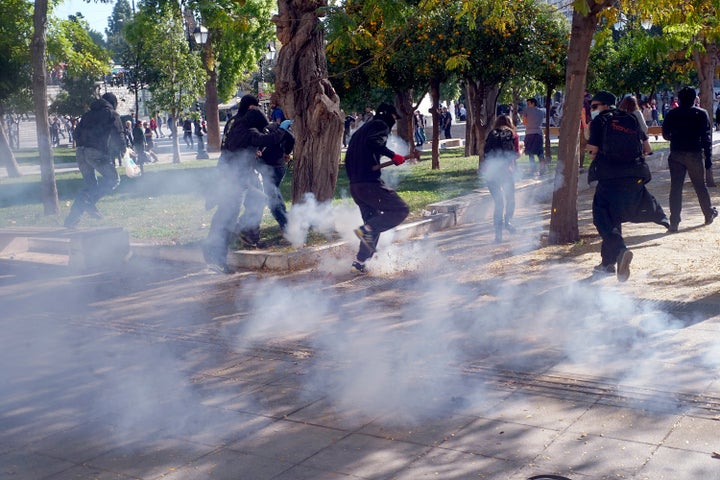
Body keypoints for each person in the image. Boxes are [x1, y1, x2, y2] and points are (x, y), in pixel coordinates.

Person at [586, 90, 670, 282]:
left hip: (610, 176)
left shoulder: (600, 121)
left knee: (601, 216)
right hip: (635, 175)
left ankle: (620, 250)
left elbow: (593, 151)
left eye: (594, 106)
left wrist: (593, 149)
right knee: (613, 216)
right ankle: (608, 263)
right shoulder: (630, 118)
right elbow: (647, 149)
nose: (592, 109)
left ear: (605, 105)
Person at [202, 95, 287, 273]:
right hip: (233, 179)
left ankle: (246, 232)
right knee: (227, 216)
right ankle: (216, 258)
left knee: (257, 198)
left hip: (232, 174)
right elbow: (267, 139)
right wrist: (282, 130)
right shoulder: (248, 132)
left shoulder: (236, 123)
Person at [345, 102, 410, 274]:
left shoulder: (361, 131)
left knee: (372, 223)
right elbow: (374, 142)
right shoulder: (380, 125)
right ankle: (365, 230)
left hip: (356, 186)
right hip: (369, 184)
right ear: (389, 115)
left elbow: (352, 157)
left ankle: (359, 262)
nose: (394, 122)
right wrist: (393, 155)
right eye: (394, 118)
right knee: (401, 209)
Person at [64, 92, 129, 228]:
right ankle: (89, 202)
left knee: (90, 187)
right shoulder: (111, 113)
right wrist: (124, 150)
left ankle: (71, 220)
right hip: (96, 152)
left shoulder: (87, 115)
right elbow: (119, 133)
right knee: (113, 180)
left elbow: (75, 134)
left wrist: (85, 142)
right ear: (113, 103)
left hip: (80, 152)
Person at [661, 86, 718, 231]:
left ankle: (674, 222)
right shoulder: (701, 113)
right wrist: (708, 158)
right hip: (694, 153)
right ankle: (708, 214)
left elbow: (665, 134)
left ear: (679, 99)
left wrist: (675, 137)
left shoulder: (672, 114)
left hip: (676, 153)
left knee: (676, 188)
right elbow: (706, 138)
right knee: (700, 186)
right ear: (694, 99)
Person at [482, 114, 520, 243]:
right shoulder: (513, 134)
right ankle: (508, 222)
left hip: (491, 173)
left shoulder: (491, 134)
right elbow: (516, 155)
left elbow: (485, 153)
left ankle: (498, 236)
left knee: (499, 203)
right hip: (506, 172)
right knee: (510, 199)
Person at [254, 118, 295, 233]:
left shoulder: (260, 131)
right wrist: (287, 152)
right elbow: (291, 138)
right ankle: (286, 221)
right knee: (274, 194)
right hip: (278, 166)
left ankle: (286, 226)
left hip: (268, 167)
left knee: (272, 198)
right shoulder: (277, 127)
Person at [522, 98, 546, 175]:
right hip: (539, 133)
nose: (527, 105)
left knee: (530, 153)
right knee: (540, 152)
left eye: (528, 104)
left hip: (529, 133)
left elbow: (524, 122)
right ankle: (542, 168)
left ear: (533, 103)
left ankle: (533, 170)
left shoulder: (527, 110)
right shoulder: (541, 112)